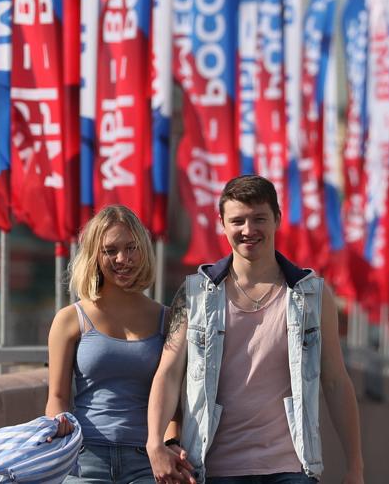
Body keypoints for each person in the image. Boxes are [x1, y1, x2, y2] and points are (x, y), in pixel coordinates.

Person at [145, 175, 365, 484]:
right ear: (222, 224)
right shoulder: (194, 293)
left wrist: (355, 467)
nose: (248, 230)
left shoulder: (313, 294)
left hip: (292, 468)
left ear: (277, 218)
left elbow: (336, 382)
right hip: (214, 469)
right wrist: (155, 442)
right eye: (237, 221)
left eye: (259, 219)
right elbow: (167, 373)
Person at [46, 204, 191, 484]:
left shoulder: (168, 319)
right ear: (94, 256)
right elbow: (57, 397)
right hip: (84, 459)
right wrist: (58, 424)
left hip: (148, 461)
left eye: (131, 248)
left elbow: (175, 399)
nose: (122, 259)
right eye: (110, 251)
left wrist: (170, 443)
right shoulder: (69, 319)